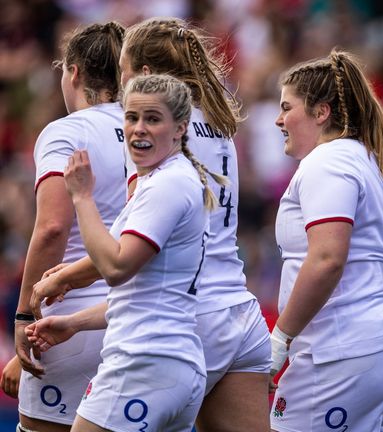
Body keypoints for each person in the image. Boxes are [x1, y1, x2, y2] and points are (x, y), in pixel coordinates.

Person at [27, 74, 219, 431]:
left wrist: (82, 197)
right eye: (132, 118)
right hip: (170, 365)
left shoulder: (168, 184)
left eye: (153, 119)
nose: (139, 129)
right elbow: (144, 294)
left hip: (143, 363)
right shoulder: (164, 179)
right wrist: (74, 322)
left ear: (180, 128)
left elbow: (115, 268)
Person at [118, 18, 271, 432]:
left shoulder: (150, 130)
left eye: (124, 72)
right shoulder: (217, 121)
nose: (121, 86)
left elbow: (131, 250)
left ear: (146, 76)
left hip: (185, 316)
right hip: (238, 311)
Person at [271, 48, 383, 432]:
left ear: (321, 113)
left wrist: (281, 338)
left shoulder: (329, 161)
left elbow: (327, 259)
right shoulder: (372, 161)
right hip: (382, 340)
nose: (278, 119)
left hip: (343, 351)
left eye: (288, 107)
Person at [12, 22, 127, 432]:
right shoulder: (149, 130)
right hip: (136, 316)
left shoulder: (67, 131)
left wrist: (25, 316)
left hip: (66, 321)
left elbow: (52, 228)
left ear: (74, 72)